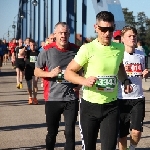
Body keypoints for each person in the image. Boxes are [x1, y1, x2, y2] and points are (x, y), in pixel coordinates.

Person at [64, 11, 132, 150]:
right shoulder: (87, 49)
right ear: (96, 27)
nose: (107, 33)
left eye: (110, 29)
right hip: (89, 107)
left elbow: (119, 67)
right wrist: (84, 81)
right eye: (103, 29)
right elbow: (68, 72)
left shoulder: (119, 48)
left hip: (111, 107)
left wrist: (125, 81)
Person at [34, 22, 80, 150]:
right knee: (52, 133)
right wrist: (50, 73)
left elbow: (83, 70)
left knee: (70, 132)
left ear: (69, 34)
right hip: (53, 98)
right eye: (60, 33)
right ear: (55, 34)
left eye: (65, 33)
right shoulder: (47, 50)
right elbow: (37, 71)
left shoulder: (76, 50)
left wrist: (79, 84)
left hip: (71, 98)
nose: (63, 35)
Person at [118, 26, 149, 150]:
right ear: (123, 39)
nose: (132, 38)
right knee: (122, 133)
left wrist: (146, 73)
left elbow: (143, 71)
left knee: (136, 131)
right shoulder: (119, 55)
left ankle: (132, 148)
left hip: (138, 97)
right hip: (121, 98)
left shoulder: (141, 54)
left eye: (134, 36)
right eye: (129, 36)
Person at [20, 39, 39, 104]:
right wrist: (25, 47)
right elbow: (20, 53)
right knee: (29, 86)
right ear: (29, 46)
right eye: (31, 45)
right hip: (28, 69)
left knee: (35, 84)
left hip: (36, 70)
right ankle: (30, 97)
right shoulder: (27, 52)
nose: (32, 46)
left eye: (34, 45)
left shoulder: (38, 52)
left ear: (35, 45)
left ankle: (35, 98)